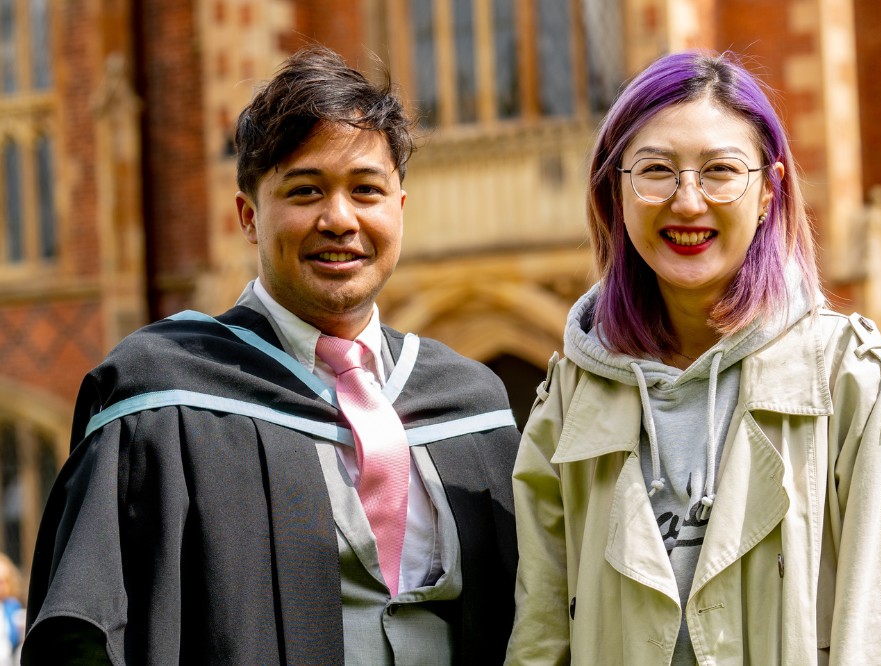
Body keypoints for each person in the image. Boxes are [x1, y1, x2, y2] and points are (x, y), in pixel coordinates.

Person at [23, 45, 520, 665]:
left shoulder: (474, 405)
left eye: (366, 190)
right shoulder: (159, 398)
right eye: (306, 191)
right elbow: (83, 636)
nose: (339, 219)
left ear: (399, 209)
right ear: (250, 217)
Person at [505, 50, 881, 665]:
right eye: (656, 170)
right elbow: (541, 638)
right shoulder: (568, 403)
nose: (688, 202)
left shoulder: (848, 376)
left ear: (768, 192)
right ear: (616, 193)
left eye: (720, 170)